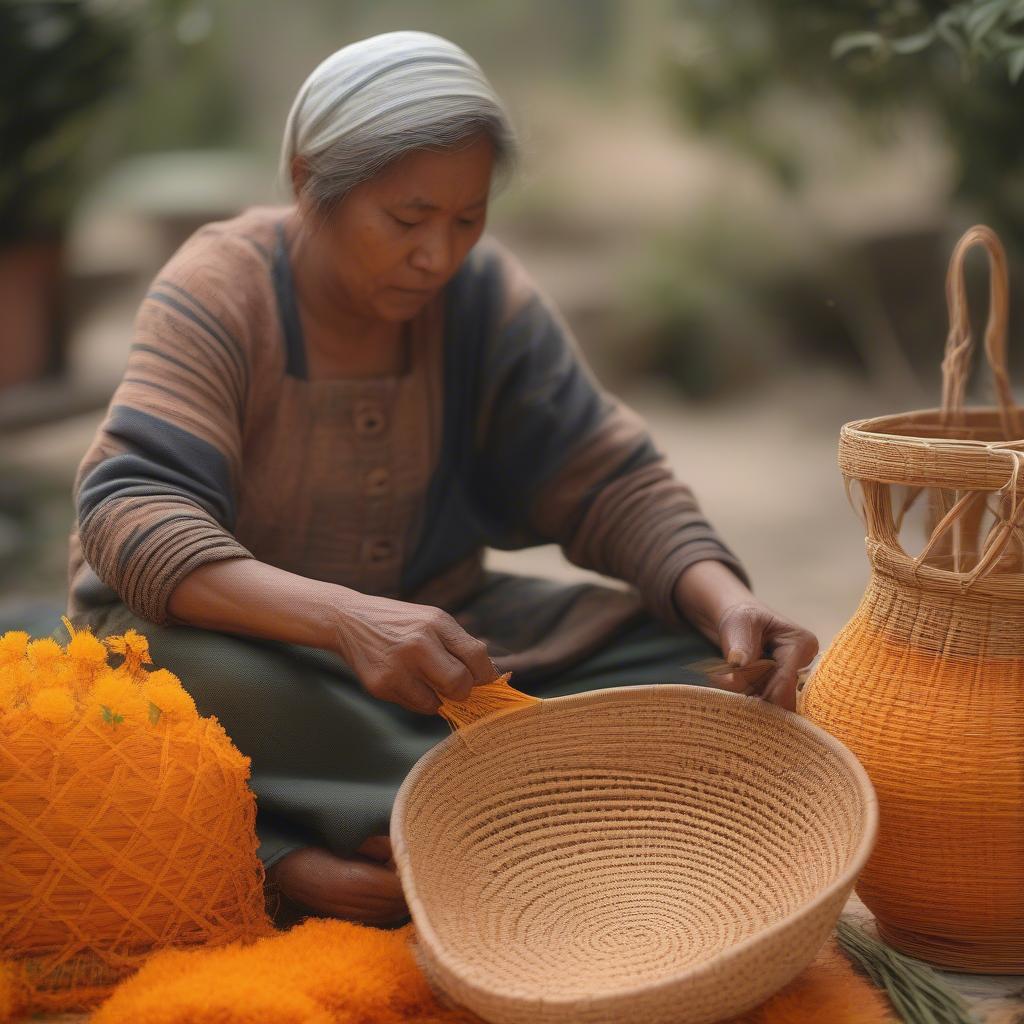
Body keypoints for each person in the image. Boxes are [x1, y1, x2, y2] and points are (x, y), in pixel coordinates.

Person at [63, 30, 818, 928]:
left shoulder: (482, 298)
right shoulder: (220, 290)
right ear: (310, 183)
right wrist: (345, 620)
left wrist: (725, 602)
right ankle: (358, 841)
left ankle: (391, 821)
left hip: (437, 639)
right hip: (247, 642)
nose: (439, 256)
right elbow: (130, 511)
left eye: (468, 219)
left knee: (695, 667)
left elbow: (608, 477)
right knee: (153, 683)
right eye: (408, 219)